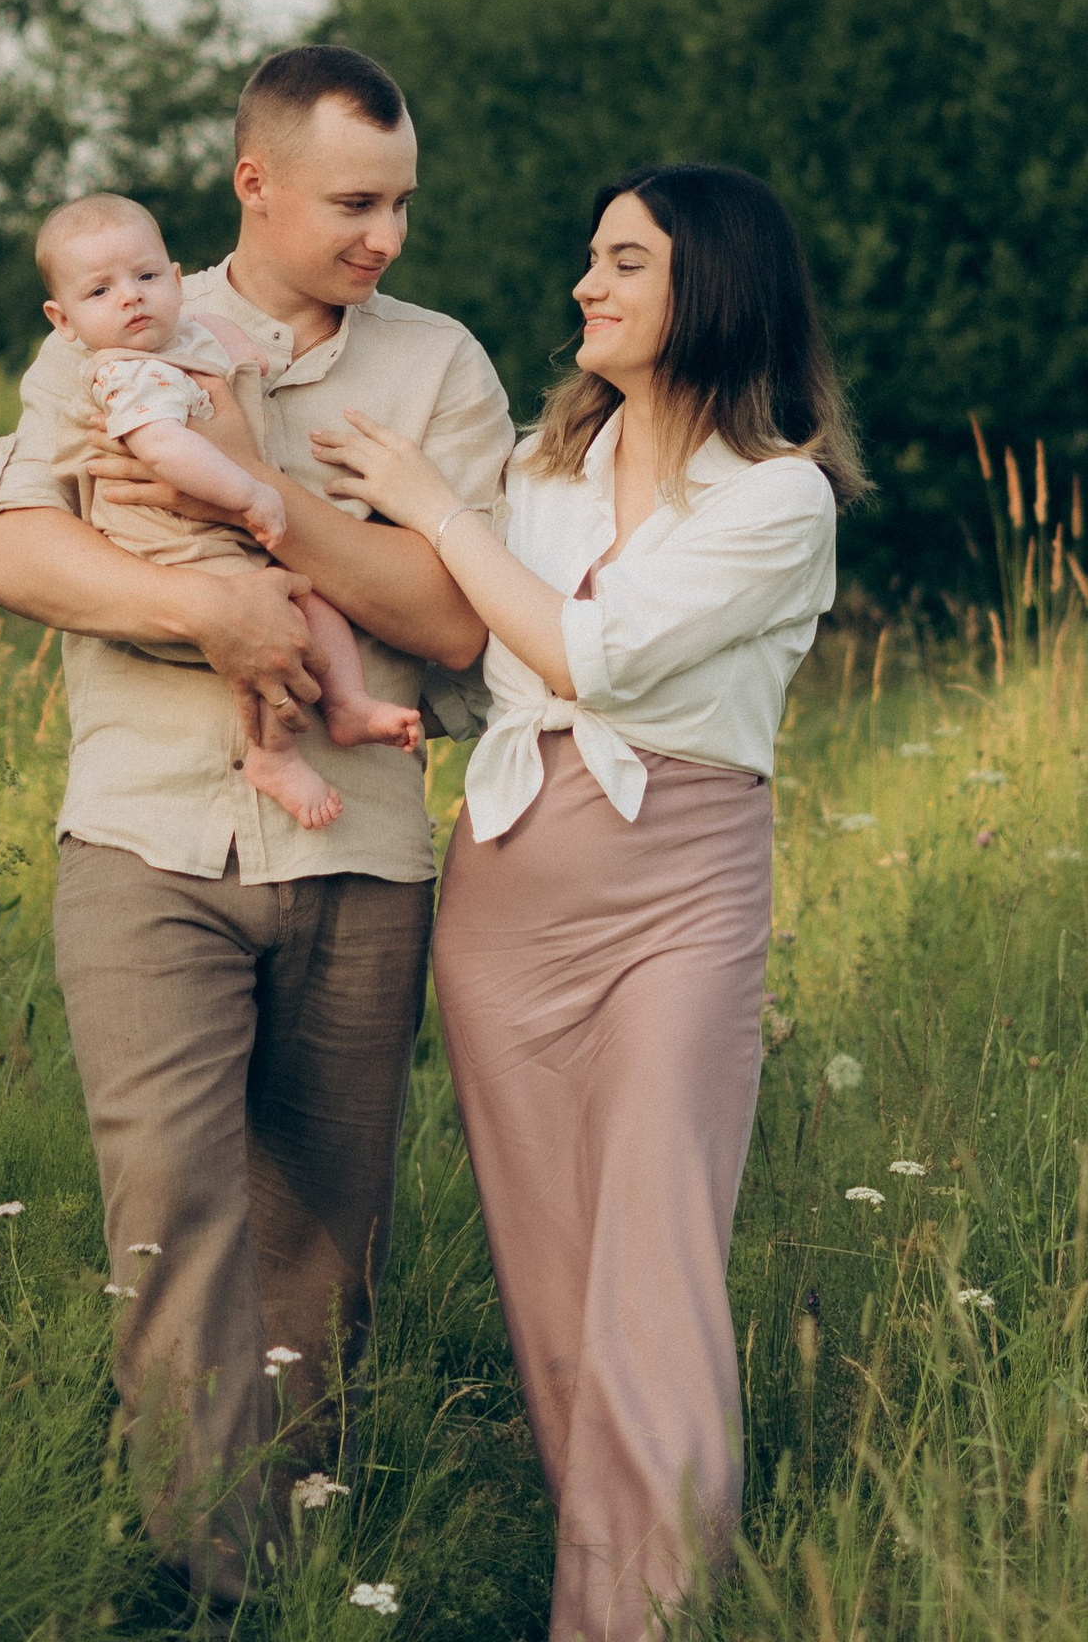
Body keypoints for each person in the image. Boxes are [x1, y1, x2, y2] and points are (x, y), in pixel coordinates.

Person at [0, 45, 512, 1609]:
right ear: (254, 184)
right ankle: (203, 1575)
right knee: (171, 1214)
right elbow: (15, 552)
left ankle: (308, 1567)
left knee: (323, 1247)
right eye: (355, 201)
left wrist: (269, 494)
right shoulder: (115, 312)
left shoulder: (440, 370)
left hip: (360, 852)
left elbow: (447, 618)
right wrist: (207, 607)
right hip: (143, 845)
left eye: (403, 202)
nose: (384, 236)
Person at [315, 163, 860, 1642]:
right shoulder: (541, 477)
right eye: (590, 260)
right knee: (555, 1291)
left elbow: (592, 657)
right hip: (506, 894)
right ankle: (601, 1597)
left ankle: (650, 1618)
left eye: (624, 262)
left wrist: (434, 506)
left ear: (715, 289)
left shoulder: (780, 498)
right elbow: (458, 623)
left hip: (675, 886)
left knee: (655, 1267)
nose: (586, 287)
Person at [30, 188, 426, 831]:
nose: (130, 296)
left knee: (313, 601)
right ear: (64, 321)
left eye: (147, 277)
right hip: (175, 545)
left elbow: (229, 355)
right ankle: (273, 755)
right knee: (263, 627)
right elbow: (165, 446)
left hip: (217, 541)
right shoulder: (125, 372)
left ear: (177, 280)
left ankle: (348, 703)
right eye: (99, 292)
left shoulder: (182, 340)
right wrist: (251, 491)